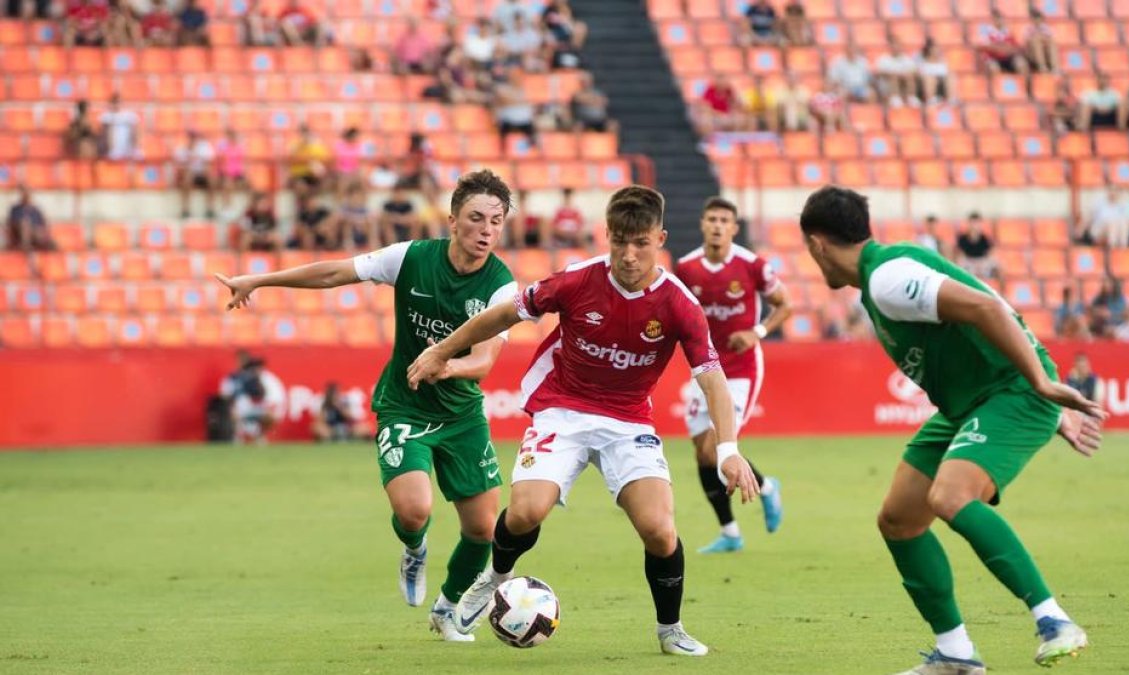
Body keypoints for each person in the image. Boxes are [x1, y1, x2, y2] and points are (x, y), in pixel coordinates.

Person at [406, 185, 760, 657]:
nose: (629, 256)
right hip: (563, 408)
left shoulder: (678, 303)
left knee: (659, 530)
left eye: (641, 244)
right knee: (528, 511)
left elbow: (713, 380)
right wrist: (439, 350)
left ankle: (670, 629)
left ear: (661, 239)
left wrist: (729, 451)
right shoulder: (575, 280)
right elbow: (500, 317)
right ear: (607, 235)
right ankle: (496, 576)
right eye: (619, 242)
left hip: (629, 420)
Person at [797, 185, 1102, 674]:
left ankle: (1054, 621)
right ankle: (957, 656)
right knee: (899, 519)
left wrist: (1040, 383)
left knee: (951, 496)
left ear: (816, 244)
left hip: (1009, 391)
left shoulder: (888, 279)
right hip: (972, 402)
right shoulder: (884, 276)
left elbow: (987, 308)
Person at [215, 170, 519, 641]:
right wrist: (261, 278)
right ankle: (414, 547)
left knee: (482, 529)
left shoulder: (501, 286)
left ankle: (447, 609)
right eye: (476, 218)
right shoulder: (412, 258)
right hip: (406, 406)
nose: (486, 230)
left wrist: (445, 366)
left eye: (496, 222)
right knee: (415, 509)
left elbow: (482, 362)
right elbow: (336, 271)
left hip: (462, 415)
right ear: (453, 220)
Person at [675, 197, 792, 553]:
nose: (717, 225)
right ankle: (730, 533)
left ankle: (767, 488)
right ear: (702, 224)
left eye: (724, 220)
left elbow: (785, 305)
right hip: (702, 367)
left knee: (715, 446)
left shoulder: (752, 265)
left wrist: (756, 332)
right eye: (711, 219)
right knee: (703, 455)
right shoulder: (686, 268)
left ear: (734, 228)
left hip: (741, 369)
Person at [174, 130, 215, 219]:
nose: (192, 139)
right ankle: (186, 209)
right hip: (189, 175)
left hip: (202, 175)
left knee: (211, 179)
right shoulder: (182, 149)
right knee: (187, 178)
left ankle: (210, 209)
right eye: (191, 137)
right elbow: (180, 168)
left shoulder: (204, 147)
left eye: (194, 137)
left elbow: (208, 164)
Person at [977, 10, 1028, 74]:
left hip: (1008, 58)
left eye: (1000, 19)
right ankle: (997, 83)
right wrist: (997, 47)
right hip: (994, 58)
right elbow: (982, 47)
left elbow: (1015, 47)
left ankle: (1024, 82)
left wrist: (1007, 49)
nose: (999, 21)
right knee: (993, 67)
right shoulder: (987, 33)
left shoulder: (1008, 32)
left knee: (1021, 63)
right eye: (996, 19)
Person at [5, 185, 54, 251]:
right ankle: (26, 246)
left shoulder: (36, 210)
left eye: (28, 193)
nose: (26, 195)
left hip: (35, 233)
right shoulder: (15, 209)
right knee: (25, 224)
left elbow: (43, 224)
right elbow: (11, 224)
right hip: (20, 234)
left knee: (41, 234)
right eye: (25, 193)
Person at [876, 36, 921, 108]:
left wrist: (906, 75)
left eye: (897, 45)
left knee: (909, 77)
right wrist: (894, 74)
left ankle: (911, 98)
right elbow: (880, 73)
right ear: (890, 47)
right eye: (894, 45)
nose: (896, 47)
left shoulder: (906, 58)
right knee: (893, 78)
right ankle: (895, 98)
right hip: (888, 86)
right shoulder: (884, 59)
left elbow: (915, 71)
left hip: (903, 84)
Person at [288, 124, 331, 199]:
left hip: (314, 176)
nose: (304, 136)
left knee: (325, 184)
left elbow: (324, 159)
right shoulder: (294, 144)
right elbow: (290, 158)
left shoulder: (316, 145)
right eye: (302, 134)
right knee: (301, 187)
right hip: (299, 175)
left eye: (306, 133)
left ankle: (315, 204)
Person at [954, 212, 997, 279]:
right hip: (969, 263)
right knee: (960, 263)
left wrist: (982, 263)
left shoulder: (985, 238)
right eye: (973, 223)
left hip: (982, 262)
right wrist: (973, 264)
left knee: (997, 264)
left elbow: (989, 254)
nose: (975, 226)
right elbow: (961, 255)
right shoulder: (962, 238)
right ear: (969, 224)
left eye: (977, 223)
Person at [99, 93, 139, 160]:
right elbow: (104, 134)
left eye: (118, 102)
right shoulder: (106, 116)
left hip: (127, 149)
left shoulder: (129, 116)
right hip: (113, 151)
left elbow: (136, 131)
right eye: (115, 102)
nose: (117, 104)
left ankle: (133, 150)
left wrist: (134, 147)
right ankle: (112, 151)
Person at [215, 128, 247, 210]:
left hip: (237, 173)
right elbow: (220, 161)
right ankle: (228, 206)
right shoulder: (223, 147)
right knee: (228, 183)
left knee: (250, 184)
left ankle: (246, 208)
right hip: (225, 173)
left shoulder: (239, 147)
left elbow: (242, 162)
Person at [917, 39, 955, 105]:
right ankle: (930, 100)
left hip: (941, 84)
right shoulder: (922, 62)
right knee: (930, 79)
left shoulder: (942, 62)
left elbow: (946, 73)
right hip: (926, 83)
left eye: (937, 49)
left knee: (950, 77)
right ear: (929, 51)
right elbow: (920, 75)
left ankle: (951, 99)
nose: (936, 51)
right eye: (934, 49)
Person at [1024, 8, 1058, 73]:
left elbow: (1050, 38)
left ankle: (1055, 67)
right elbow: (1026, 42)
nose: (1036, 20)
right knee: (1036, 41)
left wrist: (1042, 39)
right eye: (1034, 18)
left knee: (1052, 43)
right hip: (1032, 53)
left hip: (1046, 51)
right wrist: (1038, 38)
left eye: (1038, 18)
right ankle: (1042, 66)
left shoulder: (1046, 28)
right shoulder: (1028, 29)